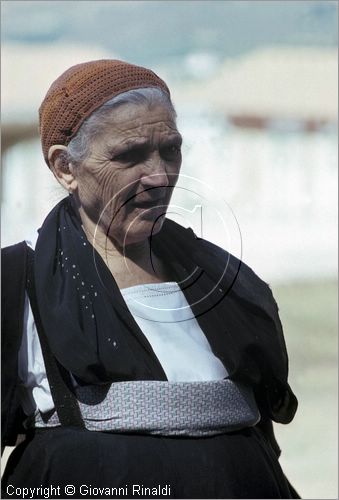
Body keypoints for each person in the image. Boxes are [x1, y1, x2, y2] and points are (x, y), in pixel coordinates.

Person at [2, 59, 299, 499]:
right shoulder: (17, 283)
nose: (160, 176)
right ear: (65, 167)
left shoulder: (229, 283)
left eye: (171, 150)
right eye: (130, 155)